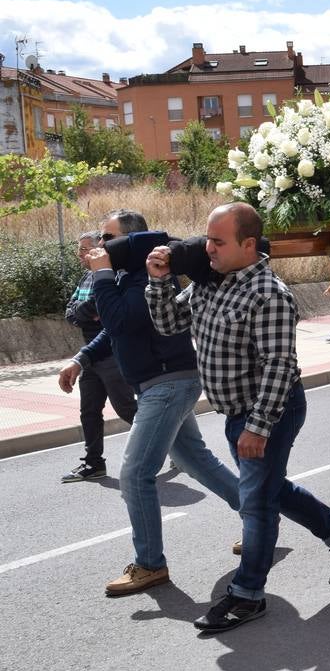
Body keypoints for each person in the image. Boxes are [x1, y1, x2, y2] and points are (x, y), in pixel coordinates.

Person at [146, 203, 330, 633]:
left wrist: (258, 426)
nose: (207, 248)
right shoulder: (211, 283)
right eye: (207, 238)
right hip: (235, 413)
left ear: (249, 245)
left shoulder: (268, 294)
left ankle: (247, 595)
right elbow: (170, 323)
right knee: (269, 487)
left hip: (271, 409)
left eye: (218, 241)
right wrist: (158, 282)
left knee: (257, 502)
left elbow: (279, 366)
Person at [56, 210, 242, 599]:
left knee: (135, 474)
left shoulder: (150, 275)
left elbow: (121, 320)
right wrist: (81, 359)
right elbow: (113, 330)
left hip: (168, 385)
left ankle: (150, 564)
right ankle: (259, 516)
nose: (101, 246)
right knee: (195, 460)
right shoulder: (129, 276)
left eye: (109, 238)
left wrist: (101, 274)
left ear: (132, 240)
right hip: (161, 383)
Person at [60, 230, 139, 483]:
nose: (80, 254)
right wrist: (86, 311)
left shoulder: (110, 277)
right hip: (89, 356)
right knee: (90, 411)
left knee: (127, 409)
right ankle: (93, 463)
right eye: (79, 249)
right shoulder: (85, 278)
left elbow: (99, 308)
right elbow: (71, 311)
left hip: (110, 353)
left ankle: (176, 444)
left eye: (85, 249)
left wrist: (87, 310)